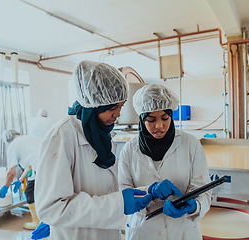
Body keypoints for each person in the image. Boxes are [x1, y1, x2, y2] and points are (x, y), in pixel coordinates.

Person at [33, 60, 152, 240]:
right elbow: (53, 207)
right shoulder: (62, 136)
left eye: (121, 106)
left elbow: (103, 185)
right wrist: (118, 204)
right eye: (113, 108)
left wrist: (144, 191)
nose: (118, 114)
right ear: (94, 104)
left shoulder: (101, 135)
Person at [118, 84, 211, 240]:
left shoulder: (190, 144)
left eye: (165, 118)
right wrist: (149, 192)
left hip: (182, 231)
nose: (159, 126)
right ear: (141, 119)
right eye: (151, 120)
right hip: (143, 231)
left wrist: (194, 206)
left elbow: (204, 191)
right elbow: (123, 193)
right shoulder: (129, 150)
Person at [0, 129, 42, 230]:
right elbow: (29, 165)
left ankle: (37, 221)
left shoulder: (13, 146)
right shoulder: (27, 139)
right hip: (47, 164)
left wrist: (5, 186)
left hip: (39, 167)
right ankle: (43, 220)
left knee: (30, 192)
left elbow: (11, 173)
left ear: (7, 141)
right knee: (40, 192)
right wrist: (20, 180)